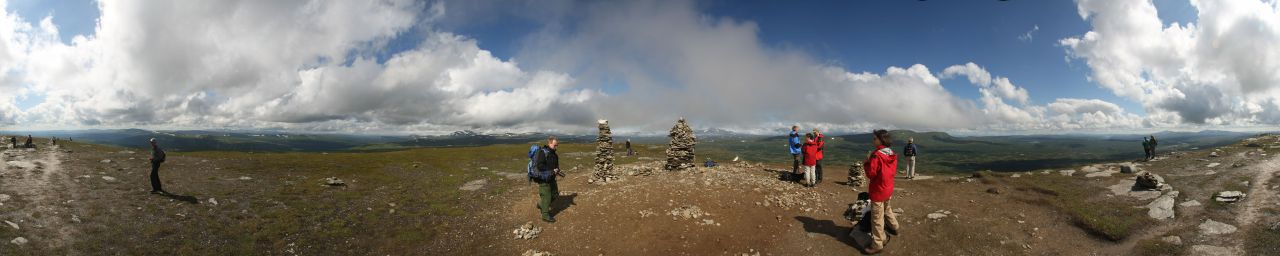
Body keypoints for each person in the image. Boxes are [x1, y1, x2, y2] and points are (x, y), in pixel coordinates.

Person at [863, 129, 900, 254]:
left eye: (875, 138)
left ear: (881, 140)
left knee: (877, 218)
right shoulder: (891, 154)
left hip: (878, 190)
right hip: (888, 188)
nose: (873, 140)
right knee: (887, 208)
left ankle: (878, 244)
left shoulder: (876, 155)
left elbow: (870, 174)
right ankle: (895, 227)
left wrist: (867, 162)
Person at [532, 136, 564, 223]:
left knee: (554, 195)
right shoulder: (543, 152)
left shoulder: (554, 154)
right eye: (555, 145)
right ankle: (545, 216)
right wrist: (551, 170)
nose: (556, 147)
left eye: (557, 145)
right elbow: (540, 166)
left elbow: (556, 166)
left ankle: (541, 204)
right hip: (543, 179)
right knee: (547, 197)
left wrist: (558, 171)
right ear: (549, 143)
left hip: (552, 178)